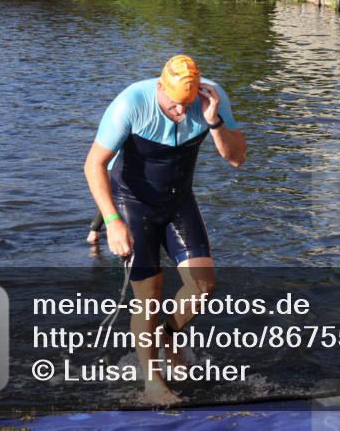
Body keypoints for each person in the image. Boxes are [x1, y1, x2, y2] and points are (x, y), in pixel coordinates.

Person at [84, 55, 246, 404]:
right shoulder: (132, 102)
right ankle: (153, 384)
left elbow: (237, 158)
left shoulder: (210, 98)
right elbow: (93, 164)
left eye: (186, 105)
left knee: (203, 286)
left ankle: (168, 334)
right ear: (160, 87)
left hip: (178, 201)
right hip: (132, 202)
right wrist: (112, 222)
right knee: (149, 296)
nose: (179, 112)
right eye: (173, 103)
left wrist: (213, 122)